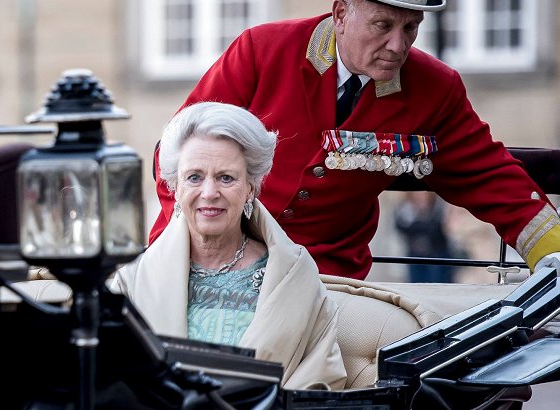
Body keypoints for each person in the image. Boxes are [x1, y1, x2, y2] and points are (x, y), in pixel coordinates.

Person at [149, 0, 560, 280]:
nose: (398, 45)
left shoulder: (435, 88)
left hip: (327, 279)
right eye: (383, 25)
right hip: (210, 256)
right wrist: (200, 253)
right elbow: (178, 153)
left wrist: (554, 259)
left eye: (411, 28)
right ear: (341, 12)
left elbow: (493, 179)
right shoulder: (263, 50)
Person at [110, 102, 347, 390]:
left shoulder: (296, 277)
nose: (209, 193)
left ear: (251, 187)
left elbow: (319, 383)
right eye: (194, 177)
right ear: (175, 186)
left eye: (226, 178)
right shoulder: (132, 281)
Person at [394, 191, 458, 283]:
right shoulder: (406, 208)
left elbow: (438, 228)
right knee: (416, 284)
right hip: (415, 255)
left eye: (423, 193)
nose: (420, 195)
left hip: (437, 253)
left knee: (439, 283)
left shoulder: (438, 206)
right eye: (417, 193)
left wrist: (416, 226)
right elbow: (400, 226)